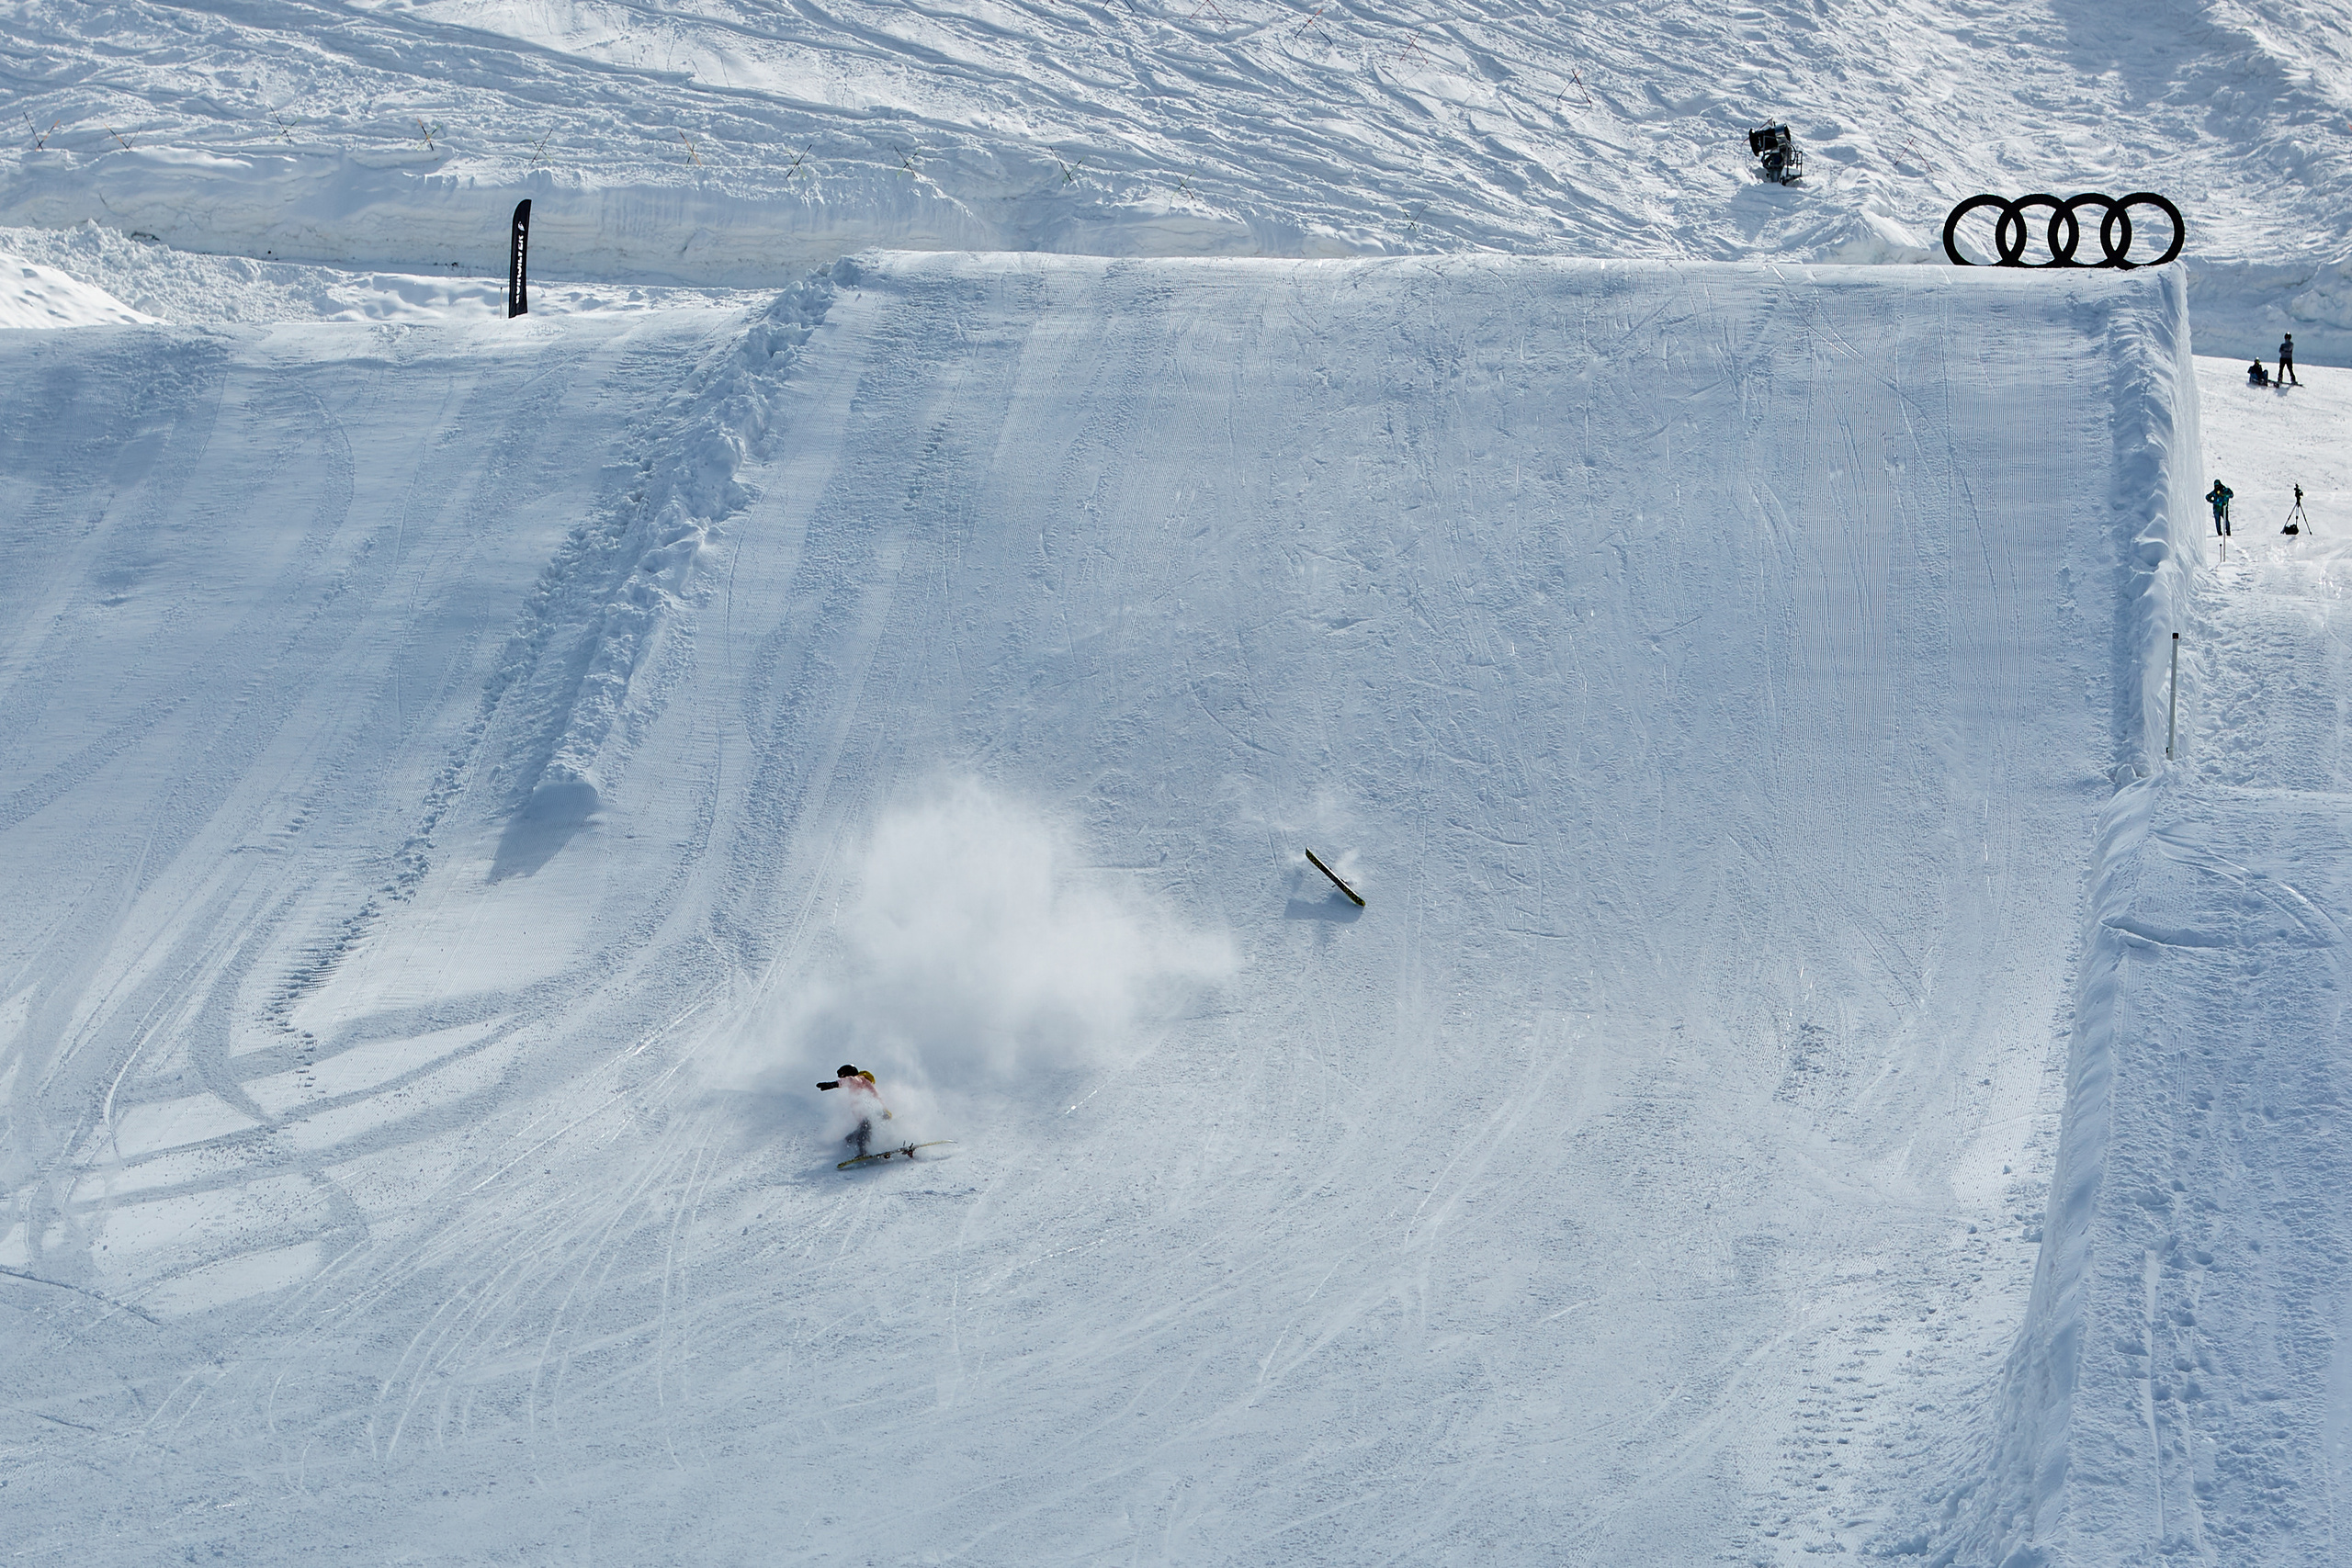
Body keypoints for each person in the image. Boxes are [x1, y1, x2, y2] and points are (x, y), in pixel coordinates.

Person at [819, 1063, 892, 1156]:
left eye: (843, 1077)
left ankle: (864, 1153)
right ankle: (874, 1147)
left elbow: (850, 1080)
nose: (842, 1079)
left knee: (862, 1136)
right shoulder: (858, 1086)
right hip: (872, 1116)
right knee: (850, 1139)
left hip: (876, 1114)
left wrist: (832, 1085)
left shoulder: (859, 1079)